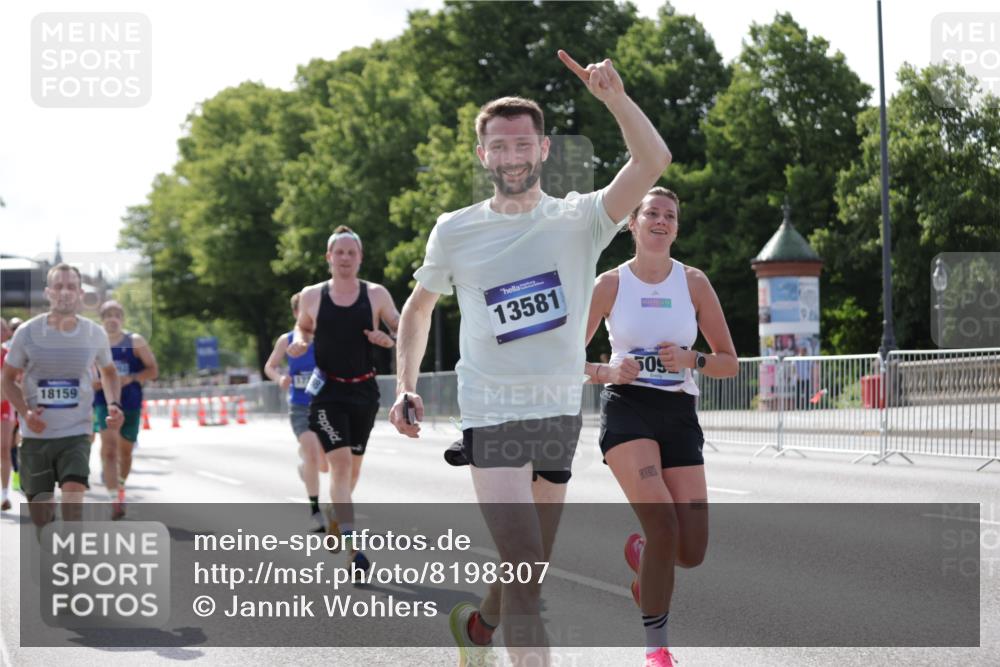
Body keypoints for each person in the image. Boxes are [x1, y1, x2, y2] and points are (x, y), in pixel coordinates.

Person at [390, 50, 671, 667]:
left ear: (543, 150)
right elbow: (416, 310)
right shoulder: (455, 230)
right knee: (524, 574)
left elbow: (654, 161)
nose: (512, 156)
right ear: (482, 155)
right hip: (492, 415)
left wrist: (615, 99)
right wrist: (405, 385)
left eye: (524, 144)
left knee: (529, 568)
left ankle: (478, 628)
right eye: (499, 146)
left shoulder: (581, 221)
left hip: (557, 414)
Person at [584, 187, 738, 666]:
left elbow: (729, 363)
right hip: (627, 408)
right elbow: (561, 356)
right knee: (663, 522)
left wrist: (694, 359)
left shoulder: (693, 283)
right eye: (651, 212)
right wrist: (608, 370)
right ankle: (657, 650)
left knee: (690, 551)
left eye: (669, 215)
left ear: (676, 226)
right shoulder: (609, 284)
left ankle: (644, 557)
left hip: (678, 412)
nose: (661, 221)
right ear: (632, 223)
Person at [288, 225, 400, 570]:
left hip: (365, 391)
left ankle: (338, 512)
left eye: (352, 252)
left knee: (352, 470)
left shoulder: (377, 294)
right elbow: (303, 326)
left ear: (360, 258)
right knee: (339, 467)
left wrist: (389, 340)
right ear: (329, 258)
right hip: (328, 393)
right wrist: (300, 340)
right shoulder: (312, 295)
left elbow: (400, 327)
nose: (346, 258)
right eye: (340, 252)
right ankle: (354, 547)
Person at [0, 264, 124, 526]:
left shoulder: (94, 334)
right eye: (59, 286)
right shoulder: (27, 333)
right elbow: (8, 379)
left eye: (71, 287)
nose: (65, 292)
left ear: (80, 293)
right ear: (48, 292)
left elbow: (110, 372)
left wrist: (114, 404)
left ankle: (69, 561)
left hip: (77, 433)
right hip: (36, 436)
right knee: (42, 520)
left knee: (73, 504)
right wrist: (25, 412)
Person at [264, 292, 329, 531]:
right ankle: (315, 512)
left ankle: (305, 467)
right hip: (300, 407)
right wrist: (280, 377)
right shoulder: (287, 339)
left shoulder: (326, 337)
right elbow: (270, 366)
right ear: (296, 313)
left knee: (324, 465)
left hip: (327, 406)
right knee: (312, 453)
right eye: (303, 309)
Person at [92, 300, 159, 519]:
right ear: (102, 319)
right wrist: (101, 382)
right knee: (109, 449)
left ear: (122, 318)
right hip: (104, 402)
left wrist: (131, 378)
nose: (112, 319)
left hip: (130, 403)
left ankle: (120, 485)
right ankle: (115, 500)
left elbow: (153, 370)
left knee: (125, 452)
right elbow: (87, 377)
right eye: (107, 315)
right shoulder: (94, 343)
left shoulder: (135, 341)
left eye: (116, 315)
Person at [1, 318, 15, 510]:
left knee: (4, 448)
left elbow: (9, 385)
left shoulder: (9, 356)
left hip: (4, 406)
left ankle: (4, 494)